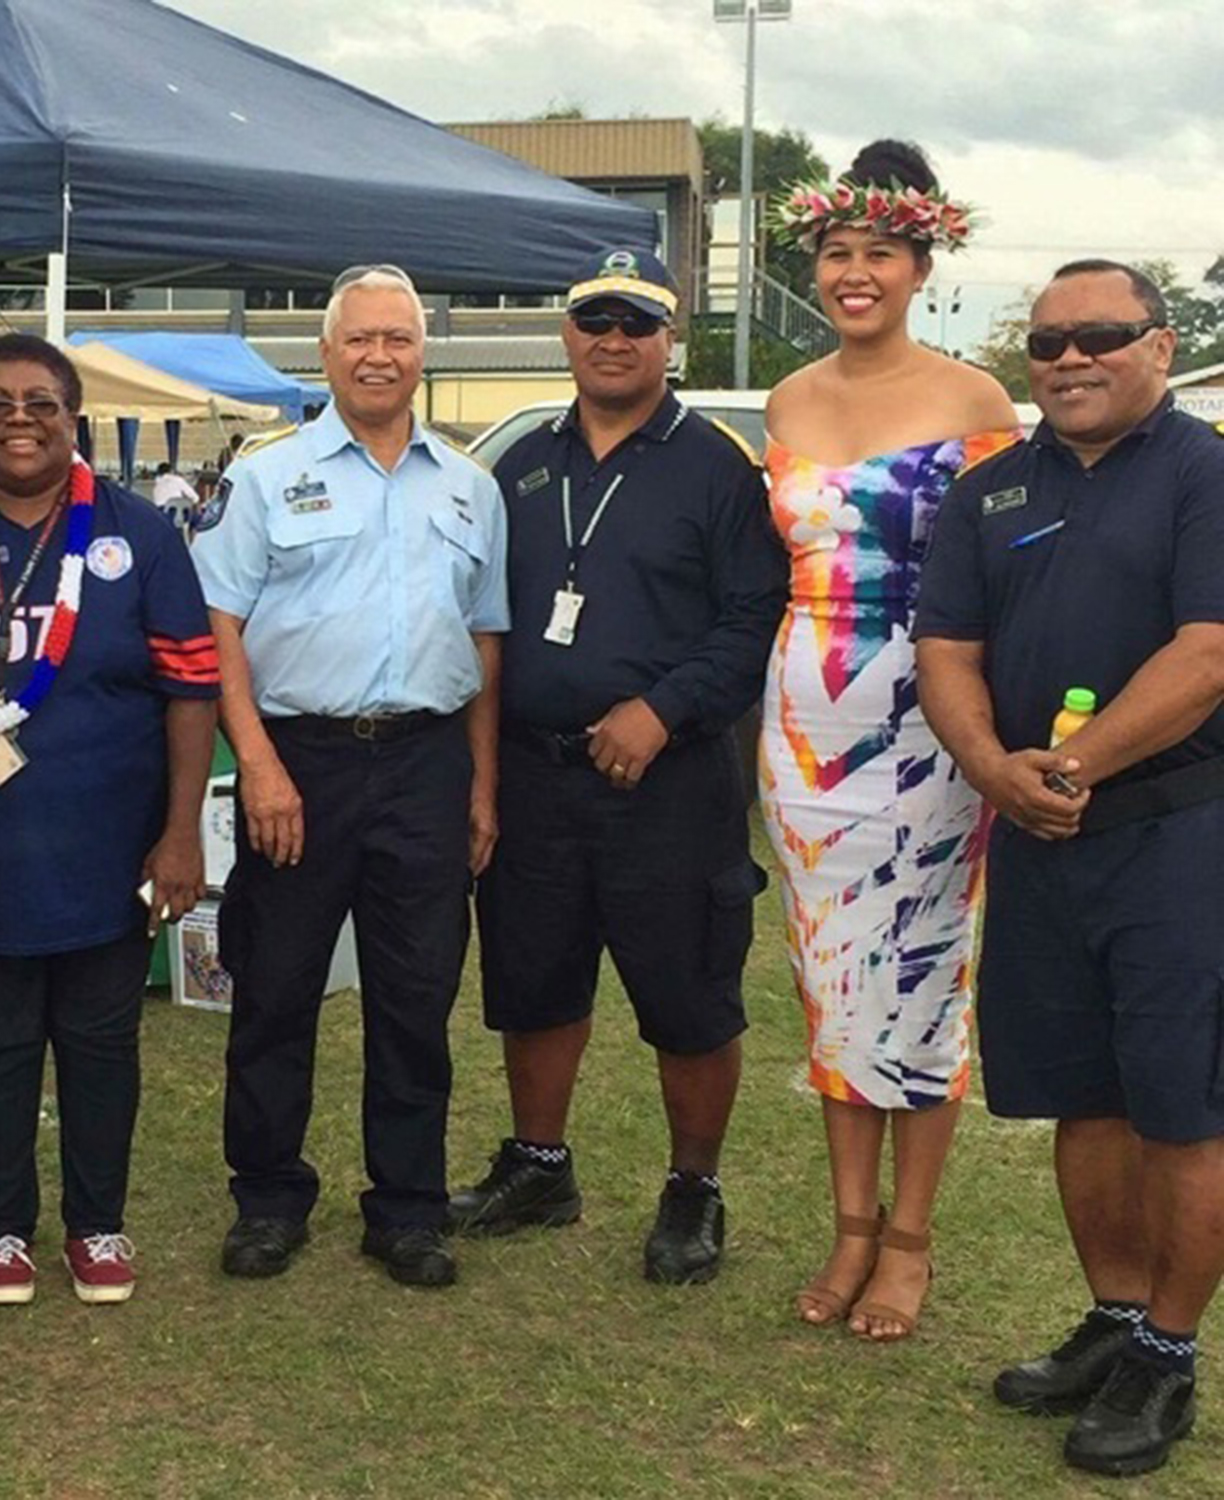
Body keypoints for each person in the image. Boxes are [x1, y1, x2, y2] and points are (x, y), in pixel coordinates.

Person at [917, 259, 1224, 1478]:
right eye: (1045, 342)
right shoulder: (990, 490)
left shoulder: (1204, 475)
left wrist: (1073, 765)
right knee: (1078, 1094)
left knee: (1178, 1107)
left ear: (1157, 345)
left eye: (1099, 334)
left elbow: (1206, 654)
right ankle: (1111, 1317)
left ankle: (1170, 1350)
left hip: (1172, 837)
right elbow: (946, 648)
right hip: (1039, 837)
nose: (1068, 358)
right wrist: (995, 768)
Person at [448, 249, 787, 1284]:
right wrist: (481, 777)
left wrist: (661, 710)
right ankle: (539, 1164)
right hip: (536, 771)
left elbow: (748, 620)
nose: (612, 337)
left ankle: (692, 1190)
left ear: (667, 338)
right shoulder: (515, 463)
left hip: (669, 781)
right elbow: (482, 623)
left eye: (635, 321)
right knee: (532, 979)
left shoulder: (718, 466)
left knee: (686, 994)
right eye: (594, 318)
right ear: (565, 333)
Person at [194, 264, 508, 1289]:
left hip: (424, 761)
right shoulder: (262, 476)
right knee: (275, 990)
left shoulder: (469, 486)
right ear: (324, 355)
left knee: (415, 996)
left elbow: (485, 644)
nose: (379, 355)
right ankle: (268, 1196)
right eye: (359, 338)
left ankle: (406, 1208)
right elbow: (219, 631)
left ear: (423, 355)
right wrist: (259, 767)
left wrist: (479, 783)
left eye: (399, 339)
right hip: (299, 760)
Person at [760, 141, 1020, 1340]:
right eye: (833, 253)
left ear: (920, 263)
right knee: (829, 973)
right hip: (804, 714)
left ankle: (908, 1240)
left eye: (876, 253)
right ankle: (847, 1226)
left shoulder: (973, 401)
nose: (852, 272)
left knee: (918, 968)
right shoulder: (786, 400)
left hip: (928, 707)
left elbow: (1016, 569)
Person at [0, 333, 217, 1306]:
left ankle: (96, 1224)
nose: (20, 418)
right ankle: (0, 1231)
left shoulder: (139, 533)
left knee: (98, 1039)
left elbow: (192, 685)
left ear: (72, 415)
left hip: (107, 836)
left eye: (40, 401)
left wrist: (179, 831)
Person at [150, 460, 200, 537]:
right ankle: (193, 541)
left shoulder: (156, 487)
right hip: (181, 512)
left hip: (163, 515)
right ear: (171, 471)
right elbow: (195, 497)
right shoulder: (178, 480)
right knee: (196, 519)